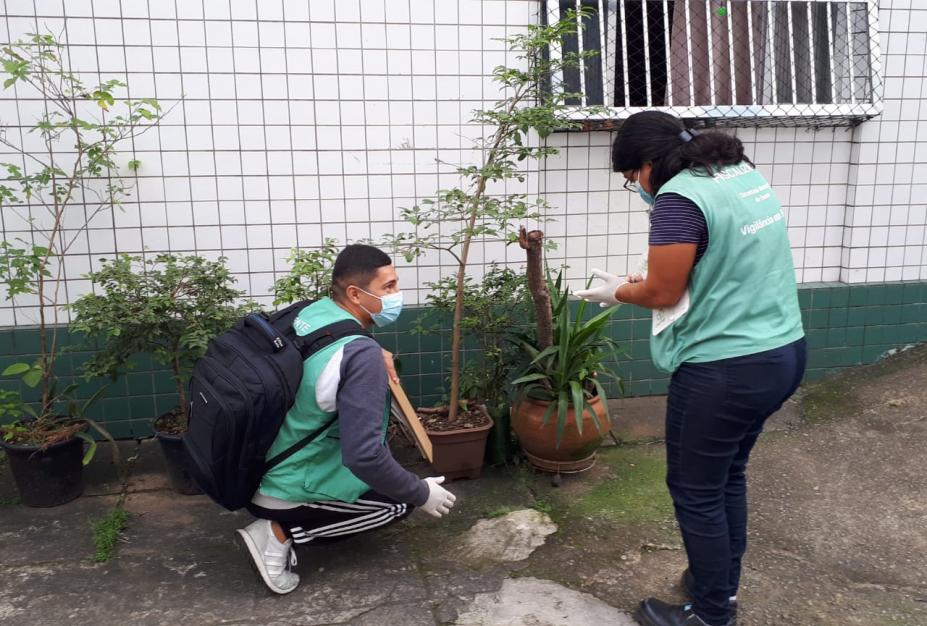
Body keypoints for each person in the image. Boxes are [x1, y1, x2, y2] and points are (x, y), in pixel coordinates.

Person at [576, 111, 806, 626]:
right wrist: (652, 276)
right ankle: (716, 585)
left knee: (696, 490)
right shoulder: (739, 173)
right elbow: (724, 260)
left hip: (726, 370)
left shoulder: (679, 200)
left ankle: (708, 615)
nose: (635, 185)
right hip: (783, 351)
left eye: (632, 174)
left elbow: (663, 292)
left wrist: (618, 291)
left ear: (651, 162)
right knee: (727, 476)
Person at [236, 243, 457, 595]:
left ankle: (285, 517)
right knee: (399, 501)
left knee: (383, 474)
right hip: (287, 487)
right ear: (356, 293)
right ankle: (278, 533)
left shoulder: (312, 313)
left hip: (252, 468)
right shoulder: (359, 354)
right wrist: (420, 492)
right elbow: (364, 456)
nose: (397, 295)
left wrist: (369, 349)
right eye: (389, 287)